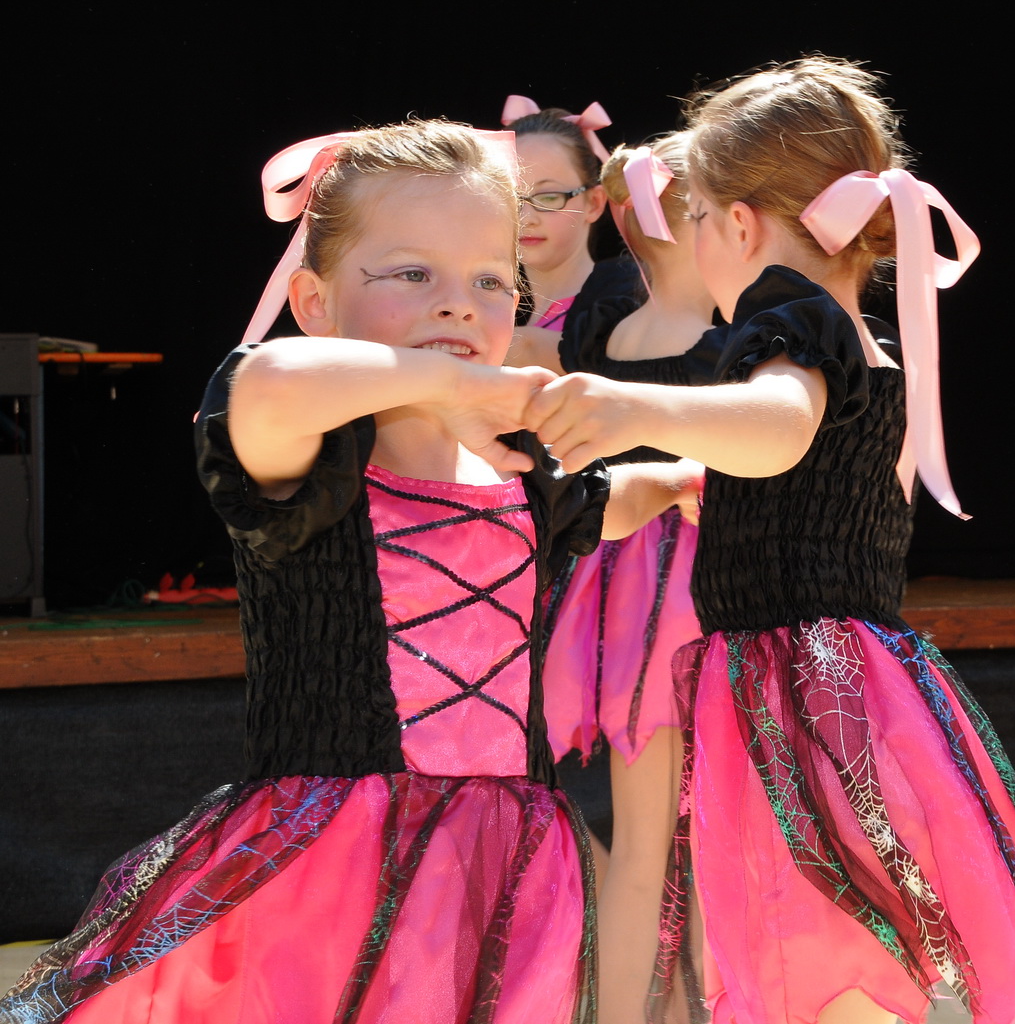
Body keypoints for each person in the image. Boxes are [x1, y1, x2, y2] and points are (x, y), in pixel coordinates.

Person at [1, 121, 698, 1023]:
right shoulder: (304, 452)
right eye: (412, 275)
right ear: (314, 300)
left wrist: (683, 478)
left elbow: (612, 496)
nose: (456, 305)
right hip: (327, 869)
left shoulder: (526, 477)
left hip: (507, 865)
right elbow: (267, 377)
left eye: (489, 281)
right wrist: (449, 385)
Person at [521, 58, 1015, 1024]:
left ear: (738, 225)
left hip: (794, 686)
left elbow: (779, 427)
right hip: (837, 676)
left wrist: (633, 404)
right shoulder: (853, 324)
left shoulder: (786, 321)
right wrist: (658, 482)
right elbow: (815, 483)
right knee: (829, 938)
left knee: (816, 936)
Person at [539, 133, 718, 1024]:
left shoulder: (608, 327)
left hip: (619, 592)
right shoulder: (737, 339)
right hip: (703, 596)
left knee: (643, 849)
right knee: (712, 845)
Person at [502, 94, 614, 340]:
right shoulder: (496, 313)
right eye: (511, 197)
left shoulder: (615, 317)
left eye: (548, 197)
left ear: (594, 203)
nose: (525, 218)